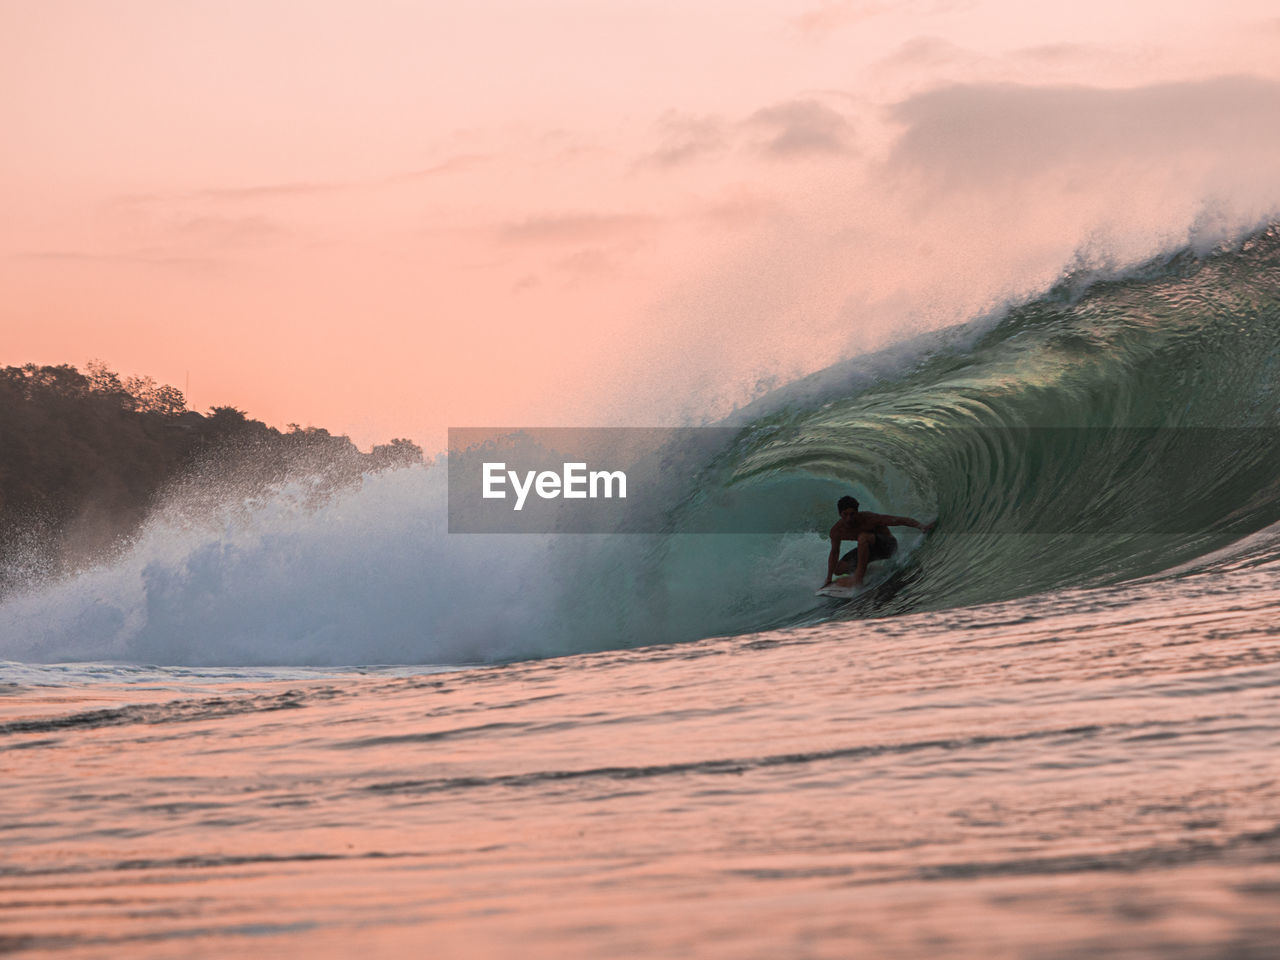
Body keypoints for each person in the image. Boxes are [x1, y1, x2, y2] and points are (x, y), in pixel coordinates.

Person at [822, 495, 933, 589]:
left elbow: (898, 520)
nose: (849, 518)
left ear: (857, 511)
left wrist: (921, 526)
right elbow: (834, 553)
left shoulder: (869, 519)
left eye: (852, 514)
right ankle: (874, 570)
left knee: (863, 537)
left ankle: (858, 578)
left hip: (887, 547)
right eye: (845, 514)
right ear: (839, 514)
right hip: (868, 550)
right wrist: (828, 579)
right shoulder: (837, 531)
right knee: (839, 569)